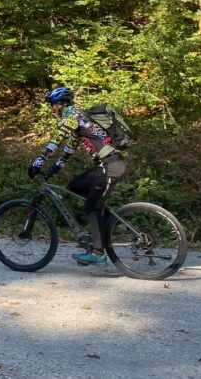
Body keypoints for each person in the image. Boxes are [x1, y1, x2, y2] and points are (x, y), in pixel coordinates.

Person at [28, 86, 128, 266]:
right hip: (107, 164)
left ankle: (98, 253)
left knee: (91, 207)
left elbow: (56, 141)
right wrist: (57, 167)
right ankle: (104, 224)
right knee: (75, 185)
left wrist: (37, 163)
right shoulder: (79, 117)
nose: (52, 110)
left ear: (59, 104)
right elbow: (69, 148)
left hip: (109, 165)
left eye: (52, 106)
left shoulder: (71, 116)